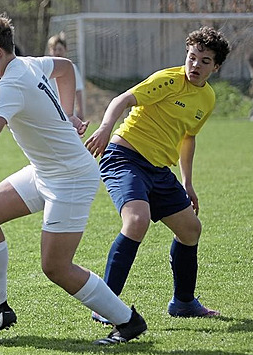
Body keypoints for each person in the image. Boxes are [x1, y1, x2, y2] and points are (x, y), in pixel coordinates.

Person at [0, 12, 146, 346]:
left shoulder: (8, 85)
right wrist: (67, 114)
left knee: (56, 266)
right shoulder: (27, 63)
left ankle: (128, 321)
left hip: (71, 177)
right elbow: (66, 68)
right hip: (46, 171)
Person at [84, 26, 230, 324]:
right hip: (124, 158)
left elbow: (188, 137)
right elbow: (122, 100)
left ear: (216, 67)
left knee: (190, 230)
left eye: (204, 61)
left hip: (159, 170)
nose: (195, 65)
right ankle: (106, 305)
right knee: (136, 221)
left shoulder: (208, 99)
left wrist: (188, 182)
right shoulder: (169, 80)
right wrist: (104, 128)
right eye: (192, 57)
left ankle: (184, 303)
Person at [46, 32, 86, 121]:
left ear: (65, 49)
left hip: (67, 113)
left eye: (60, 49)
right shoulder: (46, 68)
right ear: (50, 51)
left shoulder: (71, 68)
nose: (57, 52)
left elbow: (78, 90)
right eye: (54, 49)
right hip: (50, 112)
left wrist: (80, 110)